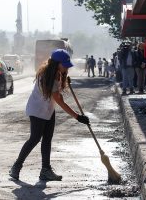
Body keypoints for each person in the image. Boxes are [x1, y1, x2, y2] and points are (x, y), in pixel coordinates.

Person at [9, 49, 90, 181]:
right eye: (64, 65)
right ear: (56, 63)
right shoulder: (48, 76)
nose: (66, 68)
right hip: (37, 110)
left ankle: (45, 170)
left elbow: (57, 96)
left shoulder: (56, 73)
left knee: (47, 139)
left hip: (47, 109)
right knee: (35, 138)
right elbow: (59, 100)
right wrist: (77, 117)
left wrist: (63, 78)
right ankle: (16, 167)